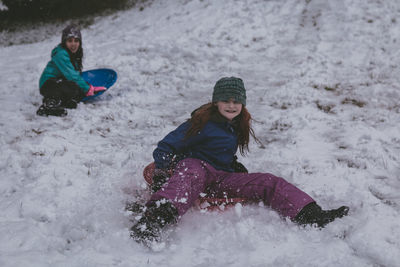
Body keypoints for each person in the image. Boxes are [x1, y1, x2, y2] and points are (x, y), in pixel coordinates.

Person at [130, 77, 349, 244]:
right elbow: (166, 146)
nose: (231, 105)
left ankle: (311, 214)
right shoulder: (199, 123)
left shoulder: (237, 124)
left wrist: (232, 164)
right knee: (193, 171)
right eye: (226, 100)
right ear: (216, 102)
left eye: (237, 101)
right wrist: (161, 172)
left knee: (268, 180)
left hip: (219, 176)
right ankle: (155, 218)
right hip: (192, 168)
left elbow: (222, 151)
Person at [36, 24, 106, 117]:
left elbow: (75, 75)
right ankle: (49, 105)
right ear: (64, 42)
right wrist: (88, 88)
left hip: (59, 81)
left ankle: (64, 101)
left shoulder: (74, 54)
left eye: (76, 41)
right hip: (48, 84)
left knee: (75, 89)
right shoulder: (61, 54)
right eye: (70, 41)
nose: (73, 44)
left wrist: (85, 88)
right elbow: (72, 75)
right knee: (72, 87)